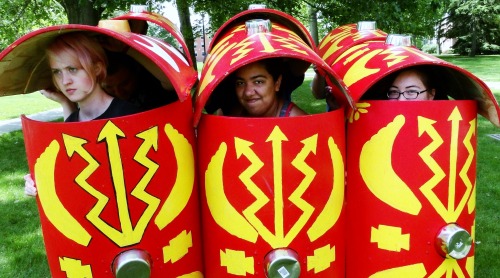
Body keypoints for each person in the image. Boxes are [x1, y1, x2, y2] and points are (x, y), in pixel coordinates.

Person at [25, 32, 141, 196]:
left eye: (72, 69)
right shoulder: (72, 122)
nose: (65, 81)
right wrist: (38, 183)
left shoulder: (129, 115)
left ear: (97, 68)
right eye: (57, 72)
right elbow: (72, 181)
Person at [219, 58, 307, 117]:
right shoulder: (231, 117)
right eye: (241, 83)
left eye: (258, 82)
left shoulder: (299, 122)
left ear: (277, 83)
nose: (248, 93)